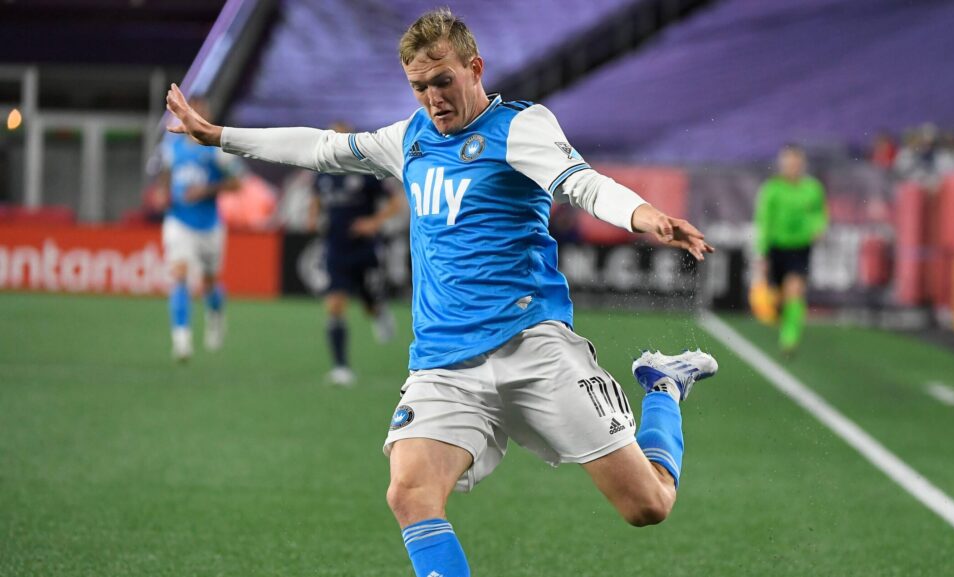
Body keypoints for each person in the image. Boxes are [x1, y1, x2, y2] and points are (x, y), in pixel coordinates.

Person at [165, 9, 716, 576]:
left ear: (474, 68)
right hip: (444, 363)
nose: (433, 98)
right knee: (409, 493)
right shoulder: (409, 138)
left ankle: (664, 387)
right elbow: (322, 149)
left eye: (443, 81)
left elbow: (582, 184)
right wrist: (218, 136)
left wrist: (641, 214)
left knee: (648, 505)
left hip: (531, 345)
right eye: (419, 87)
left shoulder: (520, 128)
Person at [309, 122, 403, 386]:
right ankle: (340, 367)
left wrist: (373, 222)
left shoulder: (366, 170)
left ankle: (379, 310)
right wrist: (314, 216)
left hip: (364, 250)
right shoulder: (323, 172)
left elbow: (395, 202)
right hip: (336, 248)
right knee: (335, 305)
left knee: (369, 304)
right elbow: (315, 198)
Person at [155, 96, 243, 362]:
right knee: (179, 274)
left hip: (209, 225)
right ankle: (181, 340)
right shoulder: (172, 146)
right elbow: (166, 176)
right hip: (179, 220)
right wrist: (162, 193)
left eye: (202, 111)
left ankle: (215, 315)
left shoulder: (217, 148)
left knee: (209, 283)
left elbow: (238, 183)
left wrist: (207, 190)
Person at [753, 144, 828, 355]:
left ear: (802, 164)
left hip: (800, 247)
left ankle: (790, 337)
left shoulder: (813, 188)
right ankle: (782, 318)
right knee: (776, 299)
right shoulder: (772, 189)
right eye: (788, 162)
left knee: (795, 289)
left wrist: (818, 228)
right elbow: (764, 221)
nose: (792, 167)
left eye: (796, 162)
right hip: (776, 247)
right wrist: (761, 252)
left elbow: (819, 214)